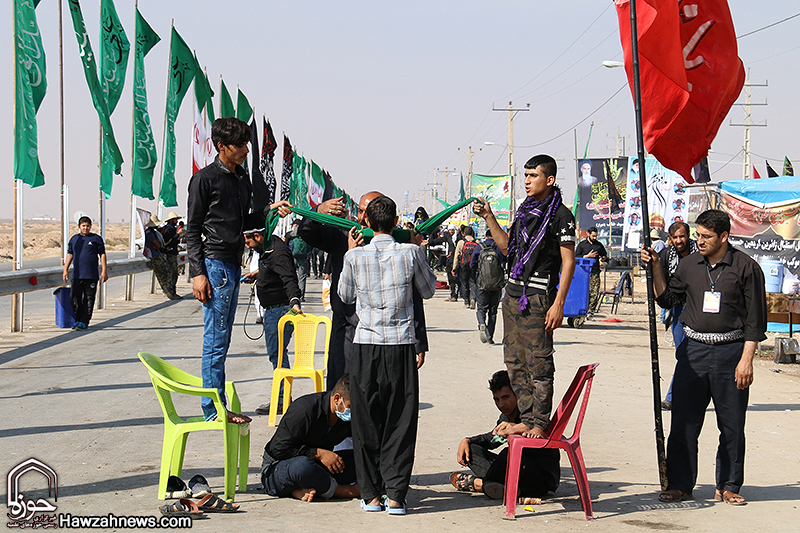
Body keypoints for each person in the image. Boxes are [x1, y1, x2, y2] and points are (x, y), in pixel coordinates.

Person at [641, 209, 767, 506]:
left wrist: (746, 360)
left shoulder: (746, 268)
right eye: (697, 235)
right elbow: (666, 298)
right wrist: (657, 266)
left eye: (706, 236)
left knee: (732, 425)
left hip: (731, 353)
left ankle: (728, 485)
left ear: (724, 236)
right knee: (684, 423)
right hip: (693, 352)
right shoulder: (688, 266)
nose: (699, 241)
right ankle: (681, 485)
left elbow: (755, 321)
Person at [338, 195, 437, 514]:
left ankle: (371, 495)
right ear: (395, 223)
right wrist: (419, 246)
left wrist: (350, 253)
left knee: (366, 420)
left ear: (366, 222)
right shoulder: (411, 252)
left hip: (366, 345)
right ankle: (395, 495)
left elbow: (345, 295)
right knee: (401, 419)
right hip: (400, 345)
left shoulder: (355, 257)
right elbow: (429, 289)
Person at [473, 154, 576, 439]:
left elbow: (569, 263)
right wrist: (489, 217)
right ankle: (526, 418)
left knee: (538, 364)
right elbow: (508, 249)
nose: (527, 181)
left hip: (539, 298)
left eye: (533, 176)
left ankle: (539, 423)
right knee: (514, 362)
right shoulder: (524, 211)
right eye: (526, 175)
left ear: (550, 179)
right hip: (513, 295)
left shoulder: (561, 216)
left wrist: (559, 304)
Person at [293, 192, 429, 391]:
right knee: (341, 392)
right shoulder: (344, 235)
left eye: (369, 212)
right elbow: (307, 233)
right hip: (346, 329)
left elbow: (414, 295)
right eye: (360, 211)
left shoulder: (400, 246)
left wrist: (419, 340)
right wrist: (317, 212)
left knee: (380, 396)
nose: (363, 218)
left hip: (384, 336)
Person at [186, 116, 254, 425]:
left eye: (247, 143)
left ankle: (217, 403)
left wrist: (272, 211)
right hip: (214, 266)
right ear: (221, 146)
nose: (246, 150)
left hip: (232, 264)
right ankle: (213, 410)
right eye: (240, 145)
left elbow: (246, 222)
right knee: (215, 339)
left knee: (223, 339)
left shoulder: (242, 179)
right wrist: (198, 273)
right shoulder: (204, 180)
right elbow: (192, 230)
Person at [450, 370, 559, 503]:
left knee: (508, 454)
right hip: (515, 475)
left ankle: (481, 485)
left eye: (506, 397)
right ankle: (499, 486)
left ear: (517, 395)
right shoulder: (505, 417)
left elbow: (537, 446)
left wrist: (517, 429)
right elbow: (492, 439)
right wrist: (467, 440)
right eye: (497, 399)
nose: (501, 404)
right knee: (472, 450)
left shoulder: (531, 414)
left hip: (538, 479)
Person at [260, 375, 359, 502]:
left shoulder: (346, 419)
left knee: (360, 458)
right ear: (337, 398)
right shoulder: (303, 410)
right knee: (303, 467)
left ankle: (304, 489)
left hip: (318, 468)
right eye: (350, 406)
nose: (353, 412)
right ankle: (343, 491)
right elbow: (278, 450)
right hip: (278, 468)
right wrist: (318, 453)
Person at [242, 213, 302, 416]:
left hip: (280, 311)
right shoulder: (268, 249)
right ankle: (282, 397)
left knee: (278, 356)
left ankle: (282, 399)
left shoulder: (278, 252)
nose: (248, 245)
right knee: (277, 356)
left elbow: (289, 278)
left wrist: (295, 302)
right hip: (272, 311)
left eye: (248, 241)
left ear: (257, 236)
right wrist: (257, 274)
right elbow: (274, 269)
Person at [659, 221, 697, 410]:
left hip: (700, 309)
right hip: (679, 310)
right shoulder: (667, 255)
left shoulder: (700, 253)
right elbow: (661, 280)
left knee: (698, 354)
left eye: (682, 236)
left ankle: (674, 397)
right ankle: (675, 397)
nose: (679, 240)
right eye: (675, 237)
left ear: (688, 235)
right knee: (684, 354)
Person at [62, 216, 108, 330]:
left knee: (89, 299)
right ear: (79, 227)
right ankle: (77, 320)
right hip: (77, 275)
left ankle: (84, 321)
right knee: (74, 298)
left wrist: (104, 271)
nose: (85, 228)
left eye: (87, 226)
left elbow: (102, 254)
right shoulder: (75, 239)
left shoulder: (96, 239)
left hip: (91, 275)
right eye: (83, 226)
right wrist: (65, 270)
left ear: (90, 226)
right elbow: (70, 254)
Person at [470, 229, 505, 344]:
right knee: (493, 311)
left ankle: (481, 324)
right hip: (496, 284)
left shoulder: (479, 247)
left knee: (481, 308)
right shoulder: (499, 247)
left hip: (482, 283)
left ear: (485, 236)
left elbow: (472, 264)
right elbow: (504, 261)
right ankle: (490, 337)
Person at [574, 226, 607, 316]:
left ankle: (590, 312)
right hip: (583, 273)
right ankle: (581, 310)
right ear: (588, 234)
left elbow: (604, 255)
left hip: (594, 272)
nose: (594, 238)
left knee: (594, 293)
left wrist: (604, 258)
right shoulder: (582, 245)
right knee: (584, 293)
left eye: (596, 236)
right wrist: (587, 256)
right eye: (593, 236)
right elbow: (576, 257)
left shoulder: (598, 245)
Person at [144, 216, 176, 300]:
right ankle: (168, 291)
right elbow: (157, 244)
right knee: (163, 273)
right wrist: (157, 245)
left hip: (158, 254)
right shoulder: (149, 233)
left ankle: (169, 291)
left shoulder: (153, 232)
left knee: (166, 272)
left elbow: (158, 243)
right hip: (154, 256)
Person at [428, 225, 458, 301]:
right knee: (450, 278)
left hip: (456, 260)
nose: (451, 231)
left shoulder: (458, 238)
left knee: (455, 278)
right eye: (450, 230)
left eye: (452, 230)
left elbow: (452, 245)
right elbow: (439, 240)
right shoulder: (448, 236)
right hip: (449, 259)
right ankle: (453, 294)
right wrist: (429, 242)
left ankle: (455, 295)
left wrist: (452, 252)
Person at [453, 226, 478, 309]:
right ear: (472, 233)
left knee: (464, 283)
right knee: (473, 282)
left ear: (463, 233)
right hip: (474, 265)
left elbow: (456, 256)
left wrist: (454, 268)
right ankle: (473, 299)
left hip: (463, 265)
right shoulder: (477, 242)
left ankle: (466, 302)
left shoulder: (461, 242)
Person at [161, 212, 182, 299]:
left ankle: (173, 291)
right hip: (170, 253)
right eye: (175, 219)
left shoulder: (172, 228)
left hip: (173, 252)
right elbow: (170, 240)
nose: (176, 221)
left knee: (174, 273)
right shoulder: (169, 229)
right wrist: (178, 234)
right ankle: (170, 292)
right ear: (171, 220)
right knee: (172, 273)